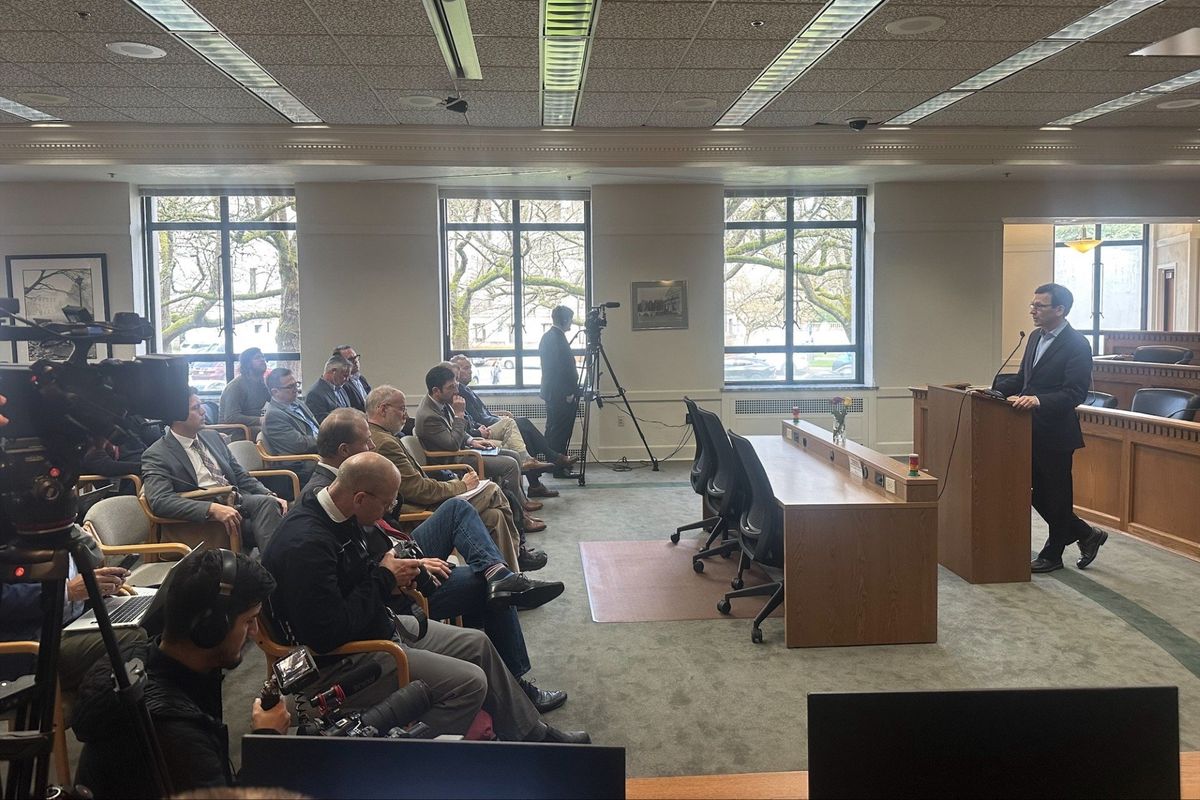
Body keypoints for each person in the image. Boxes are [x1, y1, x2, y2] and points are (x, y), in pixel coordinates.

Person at [262, 452, 589, 743]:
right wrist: (385, 577)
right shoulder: (306, 545)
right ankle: (399, 758)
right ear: (360, 498)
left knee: (477, 644)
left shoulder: (340, 511)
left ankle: (534, 735)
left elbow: (359, 576)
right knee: (470, 683)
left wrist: (396, 573)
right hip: (341, 661)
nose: (389, 511)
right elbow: (326, 635)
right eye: (388, 503)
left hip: (377, 626)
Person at [301, 409, 569, 711]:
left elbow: (382, 523)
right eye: (367, 442)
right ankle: (516, 680)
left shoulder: (343, 481)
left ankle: (500, 575)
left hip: (396, 550)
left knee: (460, 512)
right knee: (488, 585)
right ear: (344, 451)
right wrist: (405, 565)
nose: (374, 446)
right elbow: (358, 569)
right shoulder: (327, 499)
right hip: (394, 579)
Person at [72, 550, 289, 796]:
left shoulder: (142, 656)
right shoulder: (176, 736)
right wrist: (267, 740)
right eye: (249, 620)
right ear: (211, 627)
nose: (254, 631)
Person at [366, 386, 547, 572]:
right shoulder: (384, 442)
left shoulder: (384, 436)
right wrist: (461, 485)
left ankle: (509, 575)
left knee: (495, 516)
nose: (405, 415)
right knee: (493, 489)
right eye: (401, 409)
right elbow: (418, 490)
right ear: (383, 409)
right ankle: (517, 556)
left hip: (429, 496)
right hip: (422, 508)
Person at [992, 283, 1106, 574]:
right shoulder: (1033, 337)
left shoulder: (1077, 344)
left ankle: (1053, 554)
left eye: (1040, 306)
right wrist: (991, 390)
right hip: (1025, 430)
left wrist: (1038, 400)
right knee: (1034, 493)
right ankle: (1085, 533)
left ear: (1060, 310)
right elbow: (1024, 381)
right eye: (1033, 305)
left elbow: (1075, 393)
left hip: (1055, 433)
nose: (1033, 310)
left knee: (1055, 494)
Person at [141, 391, 287, 554]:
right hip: (205, 517)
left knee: (272, 505)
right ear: (177, 416)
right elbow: (160, 501)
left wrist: (268, 493)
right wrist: (211, 508)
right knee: (281, 527)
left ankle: (274, 571)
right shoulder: (157, 454)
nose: (203, 411)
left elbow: (240, 475)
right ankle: (277, 572)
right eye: (196, 408)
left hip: (237, 499)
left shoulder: (212, 437)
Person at [416, 365, 546, 521]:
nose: (456, 391)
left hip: (461, 450)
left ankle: (521, 505)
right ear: (436, 390)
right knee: (509, 465)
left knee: (514, 456)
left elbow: (452, 431)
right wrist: (459, 415)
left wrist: (472, 440)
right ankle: (519, 519)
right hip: (452, 460)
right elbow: (451, 444)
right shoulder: (428, 415)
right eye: (451, 387)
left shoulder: (441, 401)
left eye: (456, 385)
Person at [450, 354, 574, 498]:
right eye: (466, 368)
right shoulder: (458, 393)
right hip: (484, 428)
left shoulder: (466, 389)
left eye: (470, 367)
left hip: (487, 423)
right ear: (457, 373)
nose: (470, 371)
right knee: (521, 424)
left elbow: (477, 416)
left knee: (524, 432)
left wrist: (498, 418)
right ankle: (549, 463)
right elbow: (475, 419)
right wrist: (494, 421)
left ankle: (536, 481)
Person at [538, 305, 580, 479]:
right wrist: (569, 392)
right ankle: (559, 468)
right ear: (564, 320)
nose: (571, 323)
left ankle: (553, 464)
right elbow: (561, 369)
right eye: (570, 319)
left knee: (553, 430)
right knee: (560, 431)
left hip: (551, 392)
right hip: (561, 394)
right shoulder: (557, 339)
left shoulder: (548, 337)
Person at [262, 367, 320, 484]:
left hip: (316, 452)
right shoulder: (273, 415)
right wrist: (326, 439)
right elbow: (299, 445)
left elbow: (315, 427)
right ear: (275, 392)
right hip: (301, 464)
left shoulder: (297, 403)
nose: (296, 390)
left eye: (296, 384)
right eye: (290, 387)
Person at [219, 348, 271, 437]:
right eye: (257, 358)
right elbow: (231, 418)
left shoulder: (263, 384)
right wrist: (260, 420)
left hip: (254, 427)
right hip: (237, 431)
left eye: (262, 357)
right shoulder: (236, 386)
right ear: (247, 364)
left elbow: (269, 404)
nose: (262, 360)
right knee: (274, 432)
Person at [304, 355, 353, 424]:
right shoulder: (314, 394)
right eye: (345, 376)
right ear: (334, 371)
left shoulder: (341, 389)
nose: (347, 380)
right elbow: (321, 422)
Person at [334, 344, 371, 412]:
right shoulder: (342, 384)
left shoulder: (361, 379)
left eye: (356, 357)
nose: (355, 361)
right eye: (350, 359)